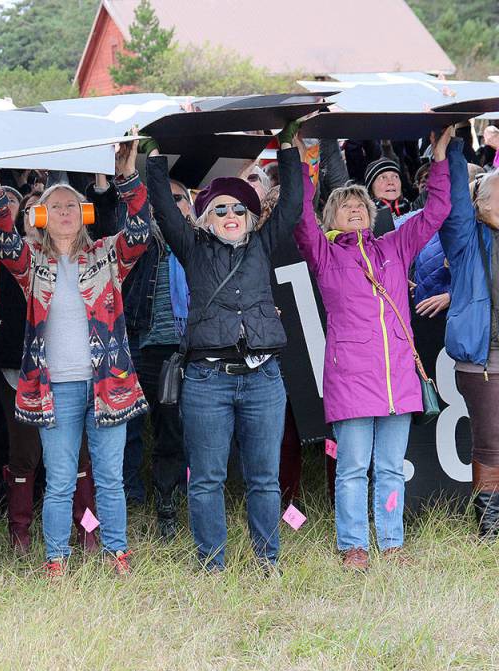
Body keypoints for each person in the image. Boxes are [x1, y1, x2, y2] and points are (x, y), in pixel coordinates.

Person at [0, 136, 150, 578]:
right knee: (59, 478)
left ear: (84, 213)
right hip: (55, 388)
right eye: (56, 207)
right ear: (42, 217)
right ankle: (57, 557)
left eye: (72, 205)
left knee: (109, 476)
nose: (66, 213)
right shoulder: (32, 261)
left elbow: (141, 231)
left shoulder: (107, 254)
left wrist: (127, 177)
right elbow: (6, 242)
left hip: (107, 384)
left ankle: (116, 552)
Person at [146, 121, 304, 573]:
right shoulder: (191, 248)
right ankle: (212, 563)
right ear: (204, 218)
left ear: (252, 217)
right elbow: (162, 207)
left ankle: (267, 561)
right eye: (219, 209)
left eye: (239, 208)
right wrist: (155, 160)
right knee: (207, 480)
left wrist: (288, 147)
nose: (231, 214)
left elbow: (291, 201)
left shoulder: (263, 244)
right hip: (207, 381)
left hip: (263, 380)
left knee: (264, 479)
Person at [293, 128, 453, 570]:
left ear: (373, 213)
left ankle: (391, 540)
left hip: (398, 376)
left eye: (361, 204)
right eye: (346, 206)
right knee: (351, 468)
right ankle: (353, 545)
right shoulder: (324, 254)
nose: (356, 209)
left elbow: (437, 210)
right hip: (350, 378)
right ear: (333, 217)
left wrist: (438, 158)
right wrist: (301, 158)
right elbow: (300, 217)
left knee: (389, 467)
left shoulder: (395, 248)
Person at [121, 174, 189, 539]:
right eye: (166, 198)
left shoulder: (199, 245)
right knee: (130, 429)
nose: (172, 204)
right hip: (142, 347)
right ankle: (131, 497)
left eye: (180, 198)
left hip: (185, 351)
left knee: (171, 431)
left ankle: (168, 498)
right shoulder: (144, 245)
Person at [438, 138, 499, 539]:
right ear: (480, 202)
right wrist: (452, 148)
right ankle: (490, 528)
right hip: (484, 361)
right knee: (492, 444)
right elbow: (455, 199)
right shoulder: (466, 238)